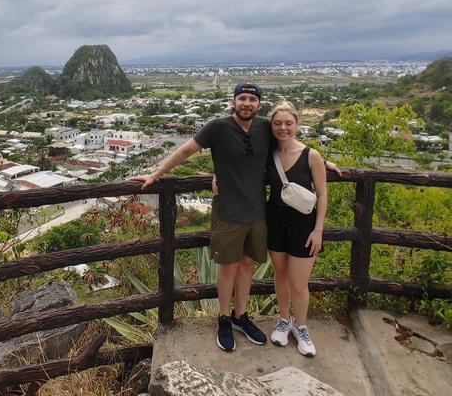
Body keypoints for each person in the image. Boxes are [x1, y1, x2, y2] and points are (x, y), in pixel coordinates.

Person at [132, 82, 271, 352]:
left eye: (252, 100)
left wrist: (319, 163)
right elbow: (185, 151)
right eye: (242, 98)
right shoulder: (217, 127)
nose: (246, 103)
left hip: (257, 212)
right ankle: (223, 317)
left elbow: (291, 148)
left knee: (247, 265)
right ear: (233, 102)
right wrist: (155, 174)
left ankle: (240, 316)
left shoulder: (266, 127)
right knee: (228, 267)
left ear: (259, 105)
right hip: (228, 212)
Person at [265, 101, 326, 357]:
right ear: (271, 126)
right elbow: (241, 166)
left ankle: (301, 327)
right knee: (280, 275)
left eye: (288, 123)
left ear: (297, 125)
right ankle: (283, 318)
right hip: (275, 220)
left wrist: (318, 229)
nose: (283, 128)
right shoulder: (268, 154)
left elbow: (322, 194)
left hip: (304, 224)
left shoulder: (311, 155)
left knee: (299, 284)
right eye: (277, 123)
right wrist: (217, 176)